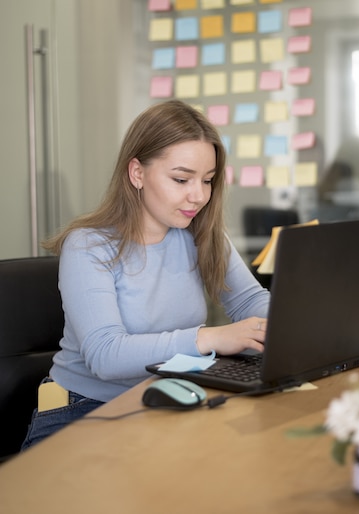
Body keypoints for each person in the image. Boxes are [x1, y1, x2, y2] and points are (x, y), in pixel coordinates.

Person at [21, 99, 269, 450]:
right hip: (84, 411)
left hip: (168, 399)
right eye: (181, 179)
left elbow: (249, 300)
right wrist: (209, 338)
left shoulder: (201, 234)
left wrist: (300, 320)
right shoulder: (88, 246)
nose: (198, 196)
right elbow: (105, 356)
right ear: (137, 173)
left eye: (208, 180)